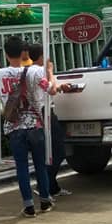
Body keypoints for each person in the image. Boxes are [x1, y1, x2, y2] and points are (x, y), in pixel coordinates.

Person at [0, 37, 57, 217]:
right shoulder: (35, 71)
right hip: (35, 125)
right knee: (40, 165)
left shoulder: (0, 75)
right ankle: (45, 201)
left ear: (6, 54)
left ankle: (28, 206)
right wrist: (50, 72)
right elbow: (51, 90)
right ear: (25, 53)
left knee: (22, 167)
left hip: (14, 127)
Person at [28, 43, 72, 198]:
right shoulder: (40, 71)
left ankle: (52, 186)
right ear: (41, 56)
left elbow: (45, 89)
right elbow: (51, 90)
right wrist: (50, 71)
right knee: (58, 150)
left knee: (48, 150)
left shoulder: (28, 71)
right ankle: (44, 185)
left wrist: (60, 87)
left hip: (36, 112)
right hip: (44, 112)